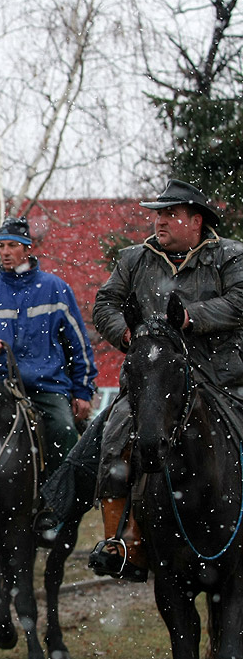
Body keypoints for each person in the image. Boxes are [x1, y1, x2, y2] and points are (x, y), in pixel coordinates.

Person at [83, 178, 243, 581]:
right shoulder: (134, 259)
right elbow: (106, 302)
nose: (160, 221)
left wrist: (192, 317)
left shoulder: (230, 256)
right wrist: (127, 334)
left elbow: (240, 301)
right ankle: (124, 544)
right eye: (158, 214)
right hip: (153, 381)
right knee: (114, 439)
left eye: (170, 214)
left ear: (196, 220)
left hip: (222, 377)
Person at [0, 217, 98, 541]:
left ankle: (54, 507)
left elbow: (78, 344)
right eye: (1, 246)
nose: (5, 253)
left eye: (12, 246)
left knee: (62, 431)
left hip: (48, 386)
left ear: (27, 249)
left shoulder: (55, 289)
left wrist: (83, 390)